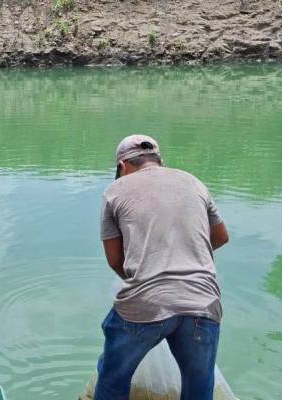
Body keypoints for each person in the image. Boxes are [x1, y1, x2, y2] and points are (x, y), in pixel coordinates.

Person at [94, 134, 229, 400]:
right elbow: (221, 236)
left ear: (122, 166)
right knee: (199, 389)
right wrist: (188, 255)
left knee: (112, 380)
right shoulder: (194, 183)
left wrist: (145, 274)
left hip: (144, 304)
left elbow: (114, 260)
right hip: (202, 304)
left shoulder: (114, 191)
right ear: (160, 161)